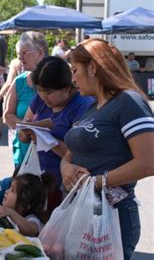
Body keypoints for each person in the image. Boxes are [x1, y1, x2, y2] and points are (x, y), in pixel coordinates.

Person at [62, 38, 154, 259]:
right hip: (83, 212)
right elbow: (70, 152)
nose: (73, 79)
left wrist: (97, 182)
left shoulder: (129, 102)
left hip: (112, 216)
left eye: (75, 70)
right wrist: (65, 167)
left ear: (93, 67)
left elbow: (149, 162)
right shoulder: (93, 107)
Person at [19, 56, 94, 213]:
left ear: (67, 88)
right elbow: (23, 132)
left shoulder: (82, 105)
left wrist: (46, 139)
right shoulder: (40, 100)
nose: (43, 96)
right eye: (39, 90)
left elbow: (76, 153)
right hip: (37, 178)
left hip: (64, 186)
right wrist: (26, 132)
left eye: (48, 92)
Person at [3, 31, 48, 171]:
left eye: (24, 53)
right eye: (18, 54)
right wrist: (27, 126)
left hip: (49, 151)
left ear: (40, 53)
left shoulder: (57, 81)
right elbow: (7, 116)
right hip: (24, 149)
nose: (20, 58)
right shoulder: (19, 81)